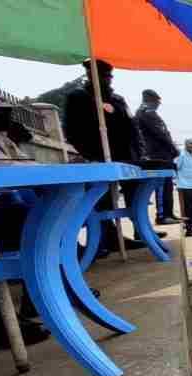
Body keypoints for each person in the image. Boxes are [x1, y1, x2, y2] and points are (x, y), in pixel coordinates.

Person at [63, 59, 149, 251]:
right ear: (90, 75)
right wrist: (90, 154)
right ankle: (107, 238)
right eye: (103, 76)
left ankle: (139, 230)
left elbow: (132, 128)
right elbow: (73, 131)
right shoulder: (79, 97)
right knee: (103, 200)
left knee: (135, 196)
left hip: (126, 157)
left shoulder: (117, 99)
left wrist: (139, 152)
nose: (108, 80)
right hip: (99, 156)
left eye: (109, 76)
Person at [135, 89, 180, 225]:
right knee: (161, 185)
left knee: (167, 185)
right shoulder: (146, 113)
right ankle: (162, 215)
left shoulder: (148, 112)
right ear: (150, 100)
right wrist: (173, 148)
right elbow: (160, 134)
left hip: (163, 154)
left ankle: (168, 213)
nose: (158, 104)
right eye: (157, 101)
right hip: (158, 154)